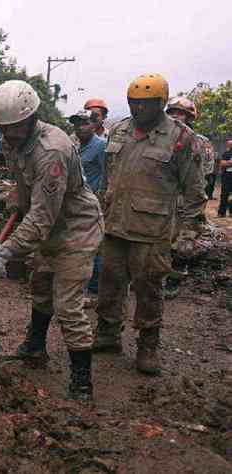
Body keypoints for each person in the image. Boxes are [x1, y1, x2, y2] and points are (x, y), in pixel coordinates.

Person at [0, 80, 103, 401]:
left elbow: (40, 220)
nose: (6, 136)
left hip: (76, 226)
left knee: (68, 304)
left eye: (13, 128)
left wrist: (0, 255)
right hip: (47, 218)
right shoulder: (12, 140)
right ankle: (35, 346)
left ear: (31, 119)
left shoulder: (52, 151)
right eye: (1, 128)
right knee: (41, 285)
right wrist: (15, 198)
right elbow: (21, 184)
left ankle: (82, 380)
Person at [93, 73, 205, 375]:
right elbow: (108, 177)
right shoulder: (119, 131)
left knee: (149, 288)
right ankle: (107, 333)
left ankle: (148, 345)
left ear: (160, 103)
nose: (138, 109)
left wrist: (188, 233)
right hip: (115, 225)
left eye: (146, 103)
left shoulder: (181, 139)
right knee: (110, 283)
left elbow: (195, 193)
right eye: (133, 103)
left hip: (152, 233)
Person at [69, 109, 106, 295]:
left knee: (95, 248)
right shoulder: (73, 146)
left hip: (92, 206)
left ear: (94, 125)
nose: (79, 128)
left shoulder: (101, 147)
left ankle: (94, 290)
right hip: (74, 205)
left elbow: (107, 175)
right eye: (76, 124)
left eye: (84, 123)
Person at [219, 139, 232, 217]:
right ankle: (222, 212)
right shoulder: (226, 153)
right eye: (230, 144)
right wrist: (229, 163)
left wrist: (227, 163)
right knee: (224, 194)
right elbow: (222, 163)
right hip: (227, 176)